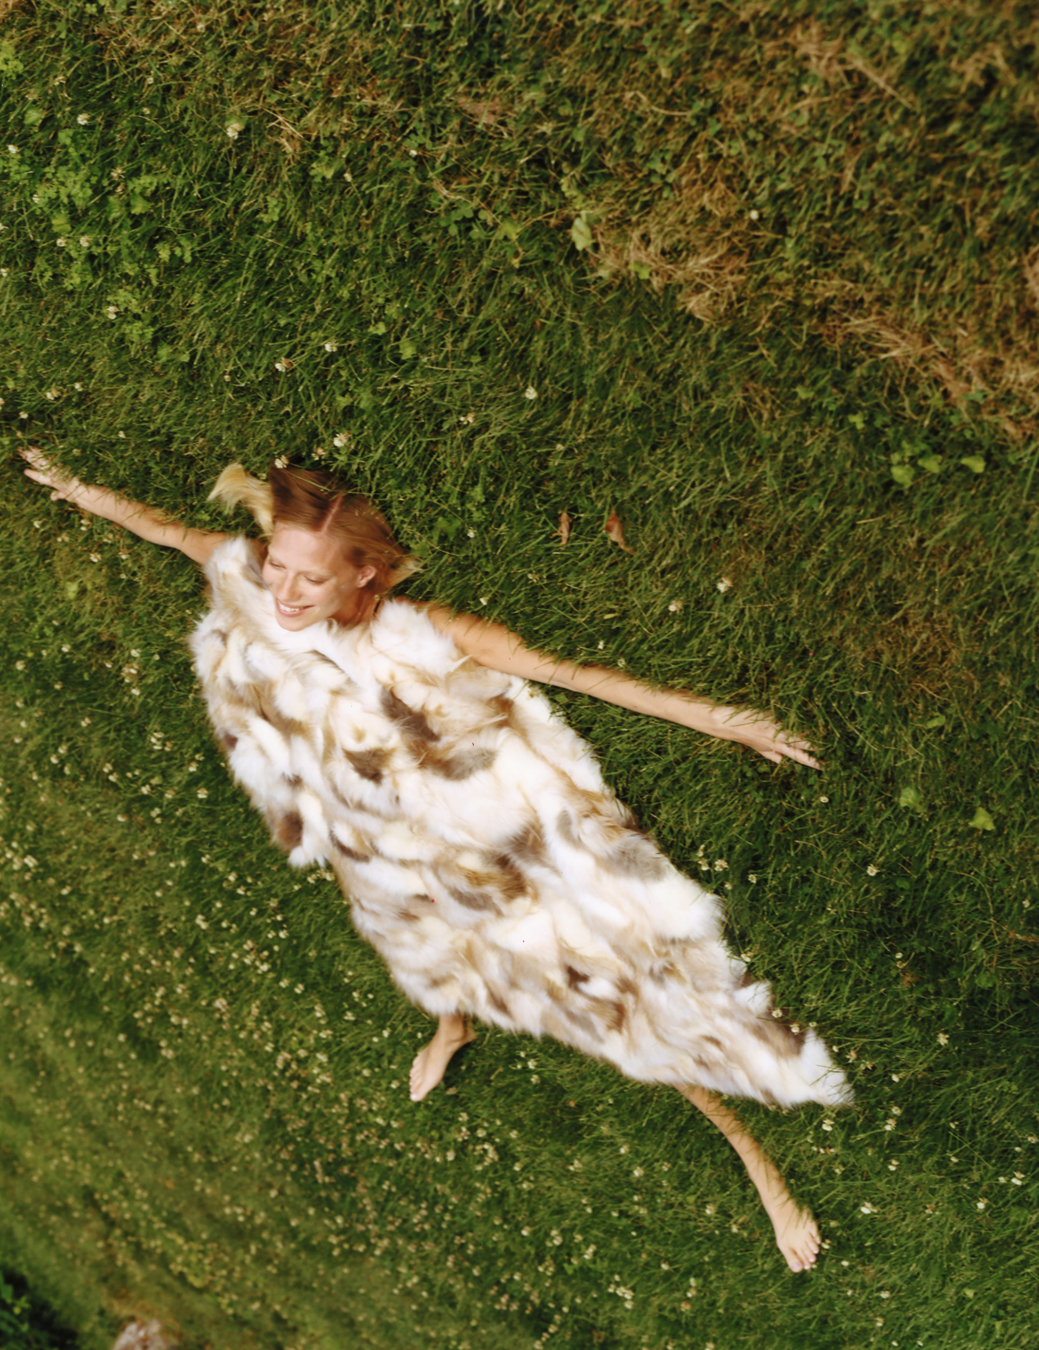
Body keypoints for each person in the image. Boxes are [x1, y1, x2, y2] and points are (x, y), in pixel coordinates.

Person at [21, 448, 850, 1273]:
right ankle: (451, 1022)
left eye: (311, 579)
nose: (283, 591)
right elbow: (168, 534)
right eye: (278, 564)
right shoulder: (250, 581)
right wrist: (82, 492)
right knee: (417, 948)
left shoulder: (426, 636)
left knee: (608, 1000)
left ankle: (753, 1161)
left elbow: (569, 672)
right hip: (374, 839)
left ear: (366, 579)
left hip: (482, 845)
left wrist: (723, 720)